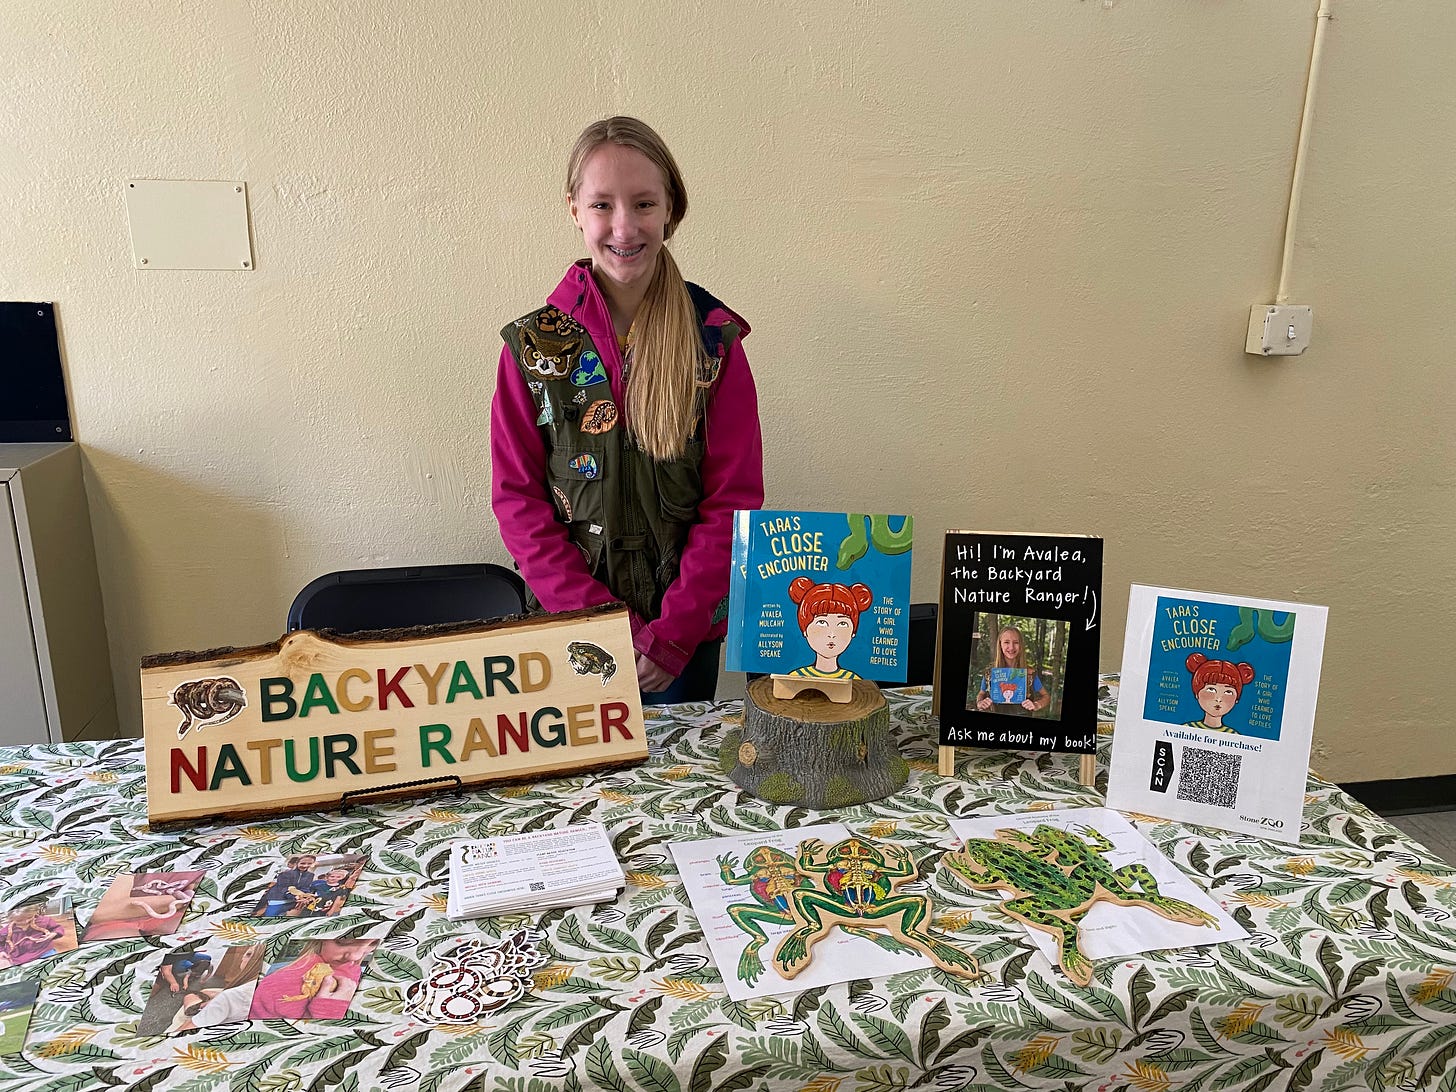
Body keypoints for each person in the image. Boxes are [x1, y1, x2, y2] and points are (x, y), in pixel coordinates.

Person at [491, 116, 764, 705]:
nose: (624, 226)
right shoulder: (532, 350)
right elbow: (518, 505)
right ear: (574, 210)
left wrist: (671, 637)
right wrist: (605, 630)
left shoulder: (714, 343)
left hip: (682, 647)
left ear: (671, 210)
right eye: (602, 205)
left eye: (644, 203)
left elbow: (732, 503)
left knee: (676, 790)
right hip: (570, 638)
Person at [248, 939, 377, 1021]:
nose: (356, 956)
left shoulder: (353, 967)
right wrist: (329, 1010)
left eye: (373, 943)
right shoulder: (282, 983)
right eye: (344, 941)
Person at [786, 578, 873, 679]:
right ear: (805, 630)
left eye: (842, 624)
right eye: (822, 623)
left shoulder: (854, 680)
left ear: (853, 632)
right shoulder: (795, 677)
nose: (832, 634)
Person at [975, 626, 1050, 715]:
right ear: (1000, 645)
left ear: (1021, 646)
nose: (1011, 647)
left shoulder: (1029, 673)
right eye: (1006, 642)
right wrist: (980, 703)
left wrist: (1037, 705)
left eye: (1016, 642)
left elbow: (1046, 697)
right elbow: (981, 694)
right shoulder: (990, 672)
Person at [1183, 653, 1256, 733]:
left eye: (1228, 692)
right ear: (1197, 693)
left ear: (1236, 699)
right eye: (1211, 689)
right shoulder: (1186, 729)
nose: (1218, 698)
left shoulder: (1233, 735)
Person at [0, 903, 67, 967]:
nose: (26, 921)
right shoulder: (5, 931)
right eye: (20, 920)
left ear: (35, 913)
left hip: (43, 950)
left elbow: (58, 928)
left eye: (29, 917)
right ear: (11, 919)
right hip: (20, 956)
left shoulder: (44, 921)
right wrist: (2, 951)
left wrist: (53, 934)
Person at [252, 855, 317, 918]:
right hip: (278, 899)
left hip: (294, 901)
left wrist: (305, 896)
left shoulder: (310, 875)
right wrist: (295, 897)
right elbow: (283, 888)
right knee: (269, 918)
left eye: (309, 863)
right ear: (297, 863)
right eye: (302, 863)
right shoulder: (285, 873)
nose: (305, 865)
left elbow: (305, 887)